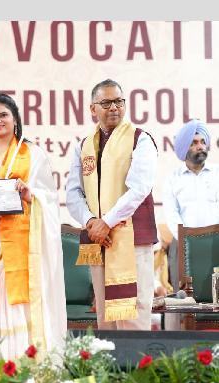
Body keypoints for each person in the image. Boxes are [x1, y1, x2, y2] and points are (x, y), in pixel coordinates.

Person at [0, 93, 67, 360]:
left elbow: (50, 198)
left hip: (24, 242)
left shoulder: (34, 154)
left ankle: (23, 359)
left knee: (18, 299)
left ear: (15, 118)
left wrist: (29, 194)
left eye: (2, 115)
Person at [65, 79, 158, 331]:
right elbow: (73, 193)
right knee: (106, 319)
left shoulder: (141, 139)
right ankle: (111, 371)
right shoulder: (84, 146)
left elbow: (139, 188)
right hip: (99, 240)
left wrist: (106, 222)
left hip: (133, 239)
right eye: (106, 103)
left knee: (133, 315)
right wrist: (91, 222)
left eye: (118, 101)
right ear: (92, 109)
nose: (114, 107)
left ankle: (138, 370)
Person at [163, 119, 219, 290]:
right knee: (183, 301)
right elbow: (171, 214)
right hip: (183, 246)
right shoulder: (173, 179)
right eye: (194, 143)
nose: (200, 146)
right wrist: (188, 239)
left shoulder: (217, 173)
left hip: (215, 243)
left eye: (203, 142)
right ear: (184, 147)